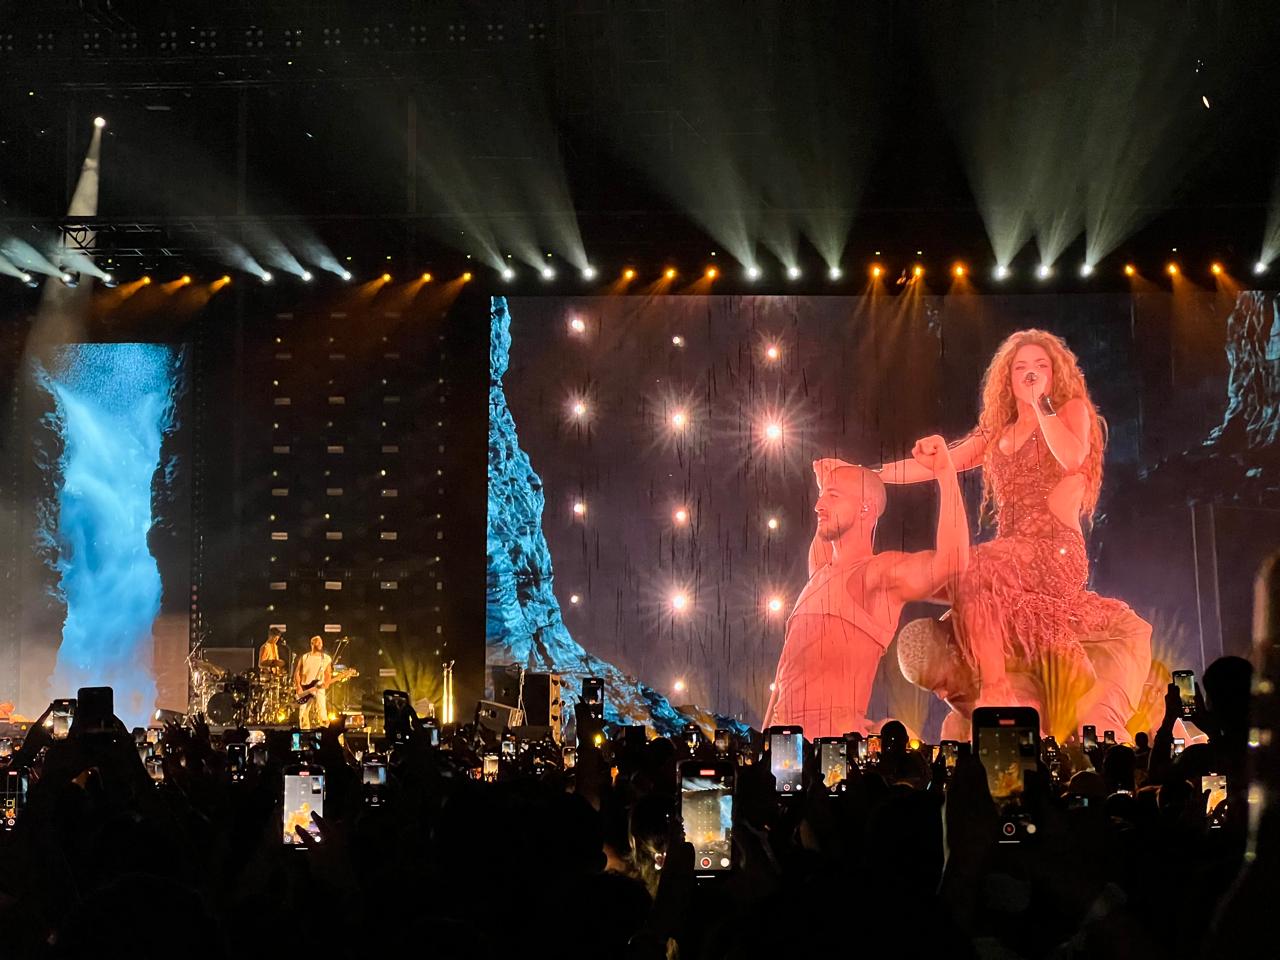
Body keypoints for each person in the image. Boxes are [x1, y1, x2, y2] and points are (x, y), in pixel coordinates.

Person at [878, 329, 1143, 711]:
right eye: (1021, 367)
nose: (1031, 373)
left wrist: (1042, 406)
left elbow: (1072, 457)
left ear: (1054, 374)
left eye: (1040, 366)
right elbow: (940, 462)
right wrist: (867, 474)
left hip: (1054, 551)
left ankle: (996, 688)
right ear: (1008, 377)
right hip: (1009, 551)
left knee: (974, 567)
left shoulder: (1071, 411)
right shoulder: (996, 432)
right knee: (954, 571)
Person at [761, 438, 969, 738]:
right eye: (821, 497)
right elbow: (826, 530)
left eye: (832, 497)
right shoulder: (820, 573)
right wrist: (833, 480)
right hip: (781, 755)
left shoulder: (877, 576)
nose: (819, 505)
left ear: (865, 509)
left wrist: (946, 474)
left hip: (829, 761)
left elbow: (952, 564)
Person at [294, 635, 333, 730]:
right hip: (305, 689)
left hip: (319, 688)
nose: (320, 644)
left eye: (321, 642)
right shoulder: (304, 657)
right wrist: (298, 686)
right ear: (312, 644)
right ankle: (304, 734)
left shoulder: (326, 658)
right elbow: (297, 673)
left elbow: (328, 673)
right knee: (303, 714)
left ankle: (325, 735)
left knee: (322, 712)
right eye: (318, 642)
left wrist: (327, 682)